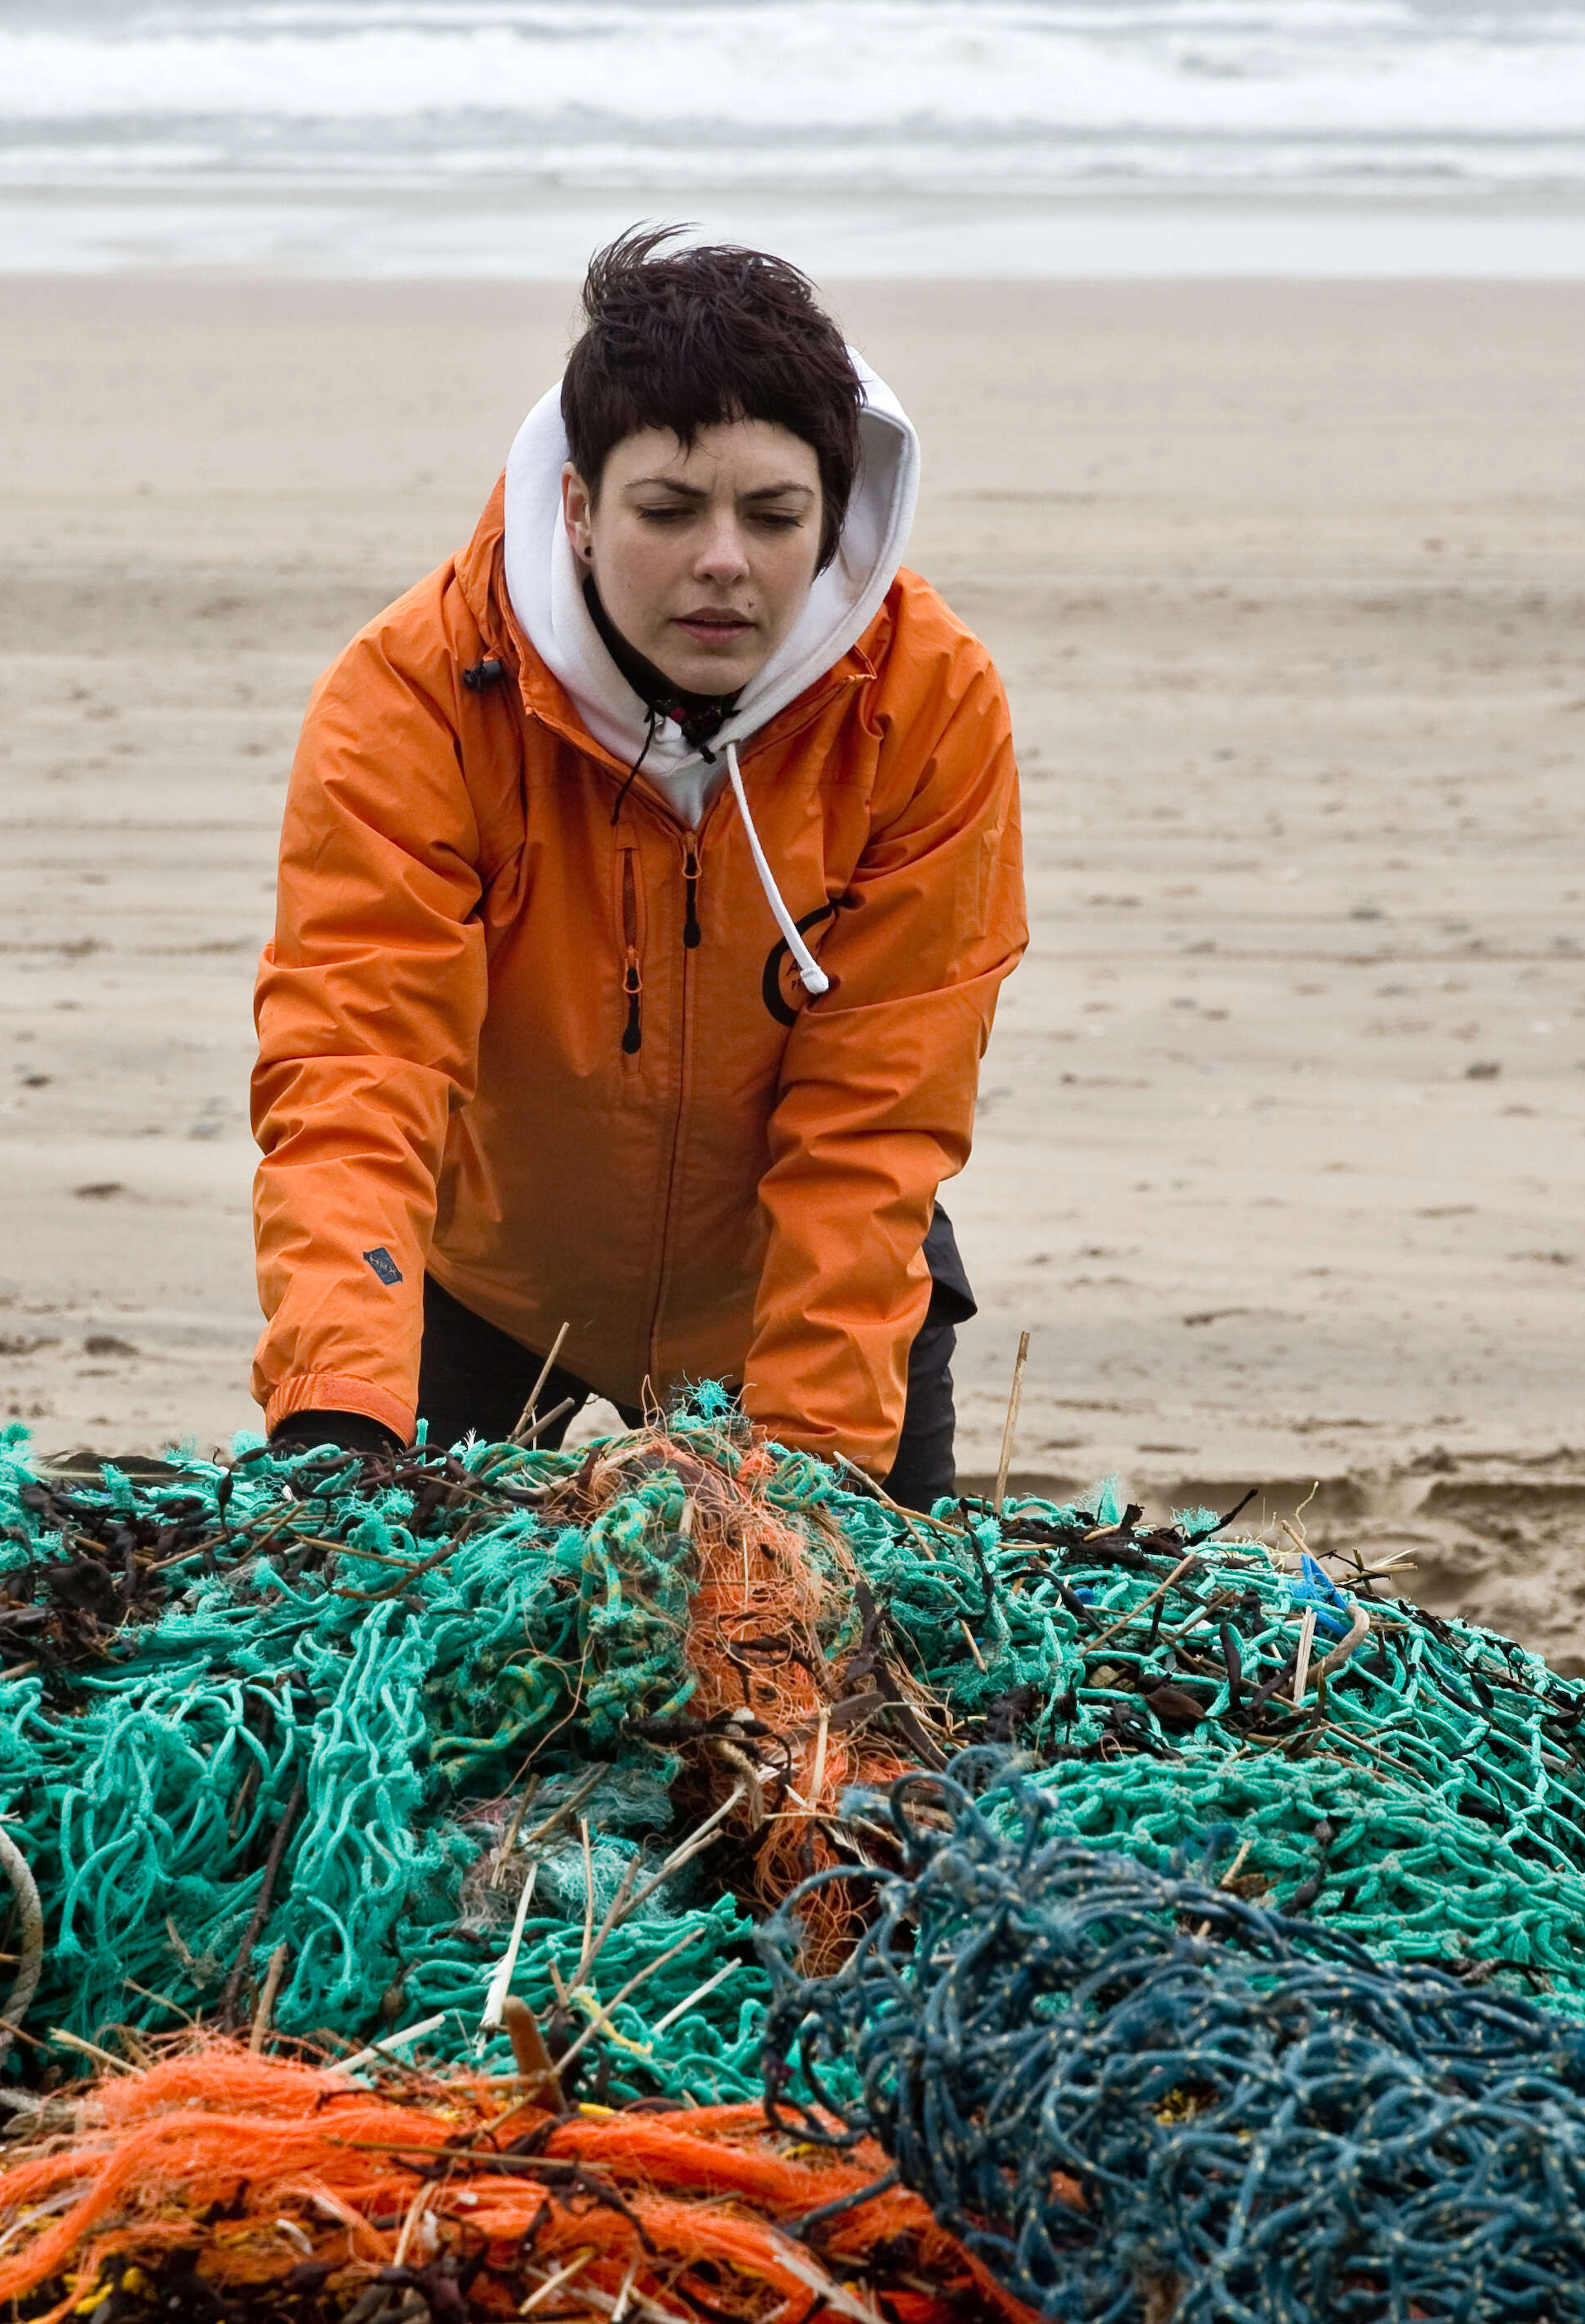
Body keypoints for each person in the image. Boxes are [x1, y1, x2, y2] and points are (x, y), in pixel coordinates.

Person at [245, 227, 1026, 1499]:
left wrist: (806, 1487)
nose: (724, 560)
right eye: (668, 510)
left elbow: (877, 1120)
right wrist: (339, 1407)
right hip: (485, 1267)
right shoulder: (416, 691)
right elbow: (356, 1062)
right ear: (579, 507)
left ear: (832, 524)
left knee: (870, 1664)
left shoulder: (927, 704)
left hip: (789, 1276)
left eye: (774, 516)